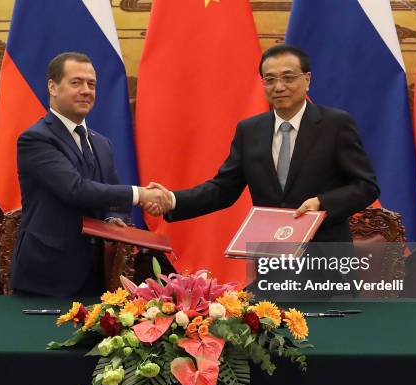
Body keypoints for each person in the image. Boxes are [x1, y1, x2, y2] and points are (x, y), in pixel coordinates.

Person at [146, 44, 379, 293]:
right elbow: (223, 189)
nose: (279, 87)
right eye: (270, 79)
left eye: (288, 77)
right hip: (273, 266)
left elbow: (366, 186)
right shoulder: (250, 130)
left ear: (307, 79)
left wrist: (321, 203)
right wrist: (172, 199)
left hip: (326, 263)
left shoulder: (335, 124)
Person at [10, 52, 169, 297]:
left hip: (96, 274)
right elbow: (75, 190)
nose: (86, 90)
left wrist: (112, 220)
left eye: (91, 84)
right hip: (48, 274)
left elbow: (112, 199)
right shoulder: (36, 139)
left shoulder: (102, 143)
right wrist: (141, 194)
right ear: (52, 86)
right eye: (76, 83)